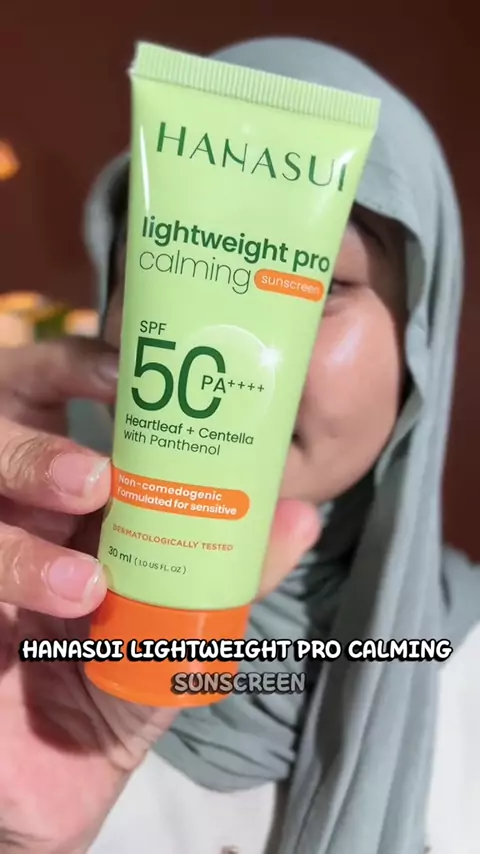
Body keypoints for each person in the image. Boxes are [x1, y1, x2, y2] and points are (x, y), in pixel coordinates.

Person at [0, 35, 478, 854]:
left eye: (317, 284)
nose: (243, 353)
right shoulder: (24, 642)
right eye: (176, 266)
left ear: (421, 343)